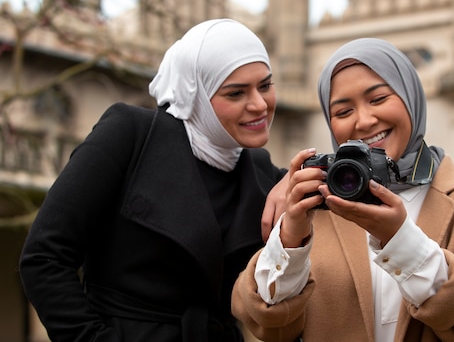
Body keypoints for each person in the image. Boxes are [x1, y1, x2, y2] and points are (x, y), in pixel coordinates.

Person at [232, 38, 454, 341]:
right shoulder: (317, 205)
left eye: (378, 99)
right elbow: (265, 324)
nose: (365, 121)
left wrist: (401, 240)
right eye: (343, 112)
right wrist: (290, 242)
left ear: (411, 97)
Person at [19, 18, 287, 342]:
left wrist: (295, 179)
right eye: (236, 93)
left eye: (265, 85)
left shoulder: (261, 172)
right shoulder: (130, 134)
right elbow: (44, 258)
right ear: (195, 94)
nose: (259, 104)